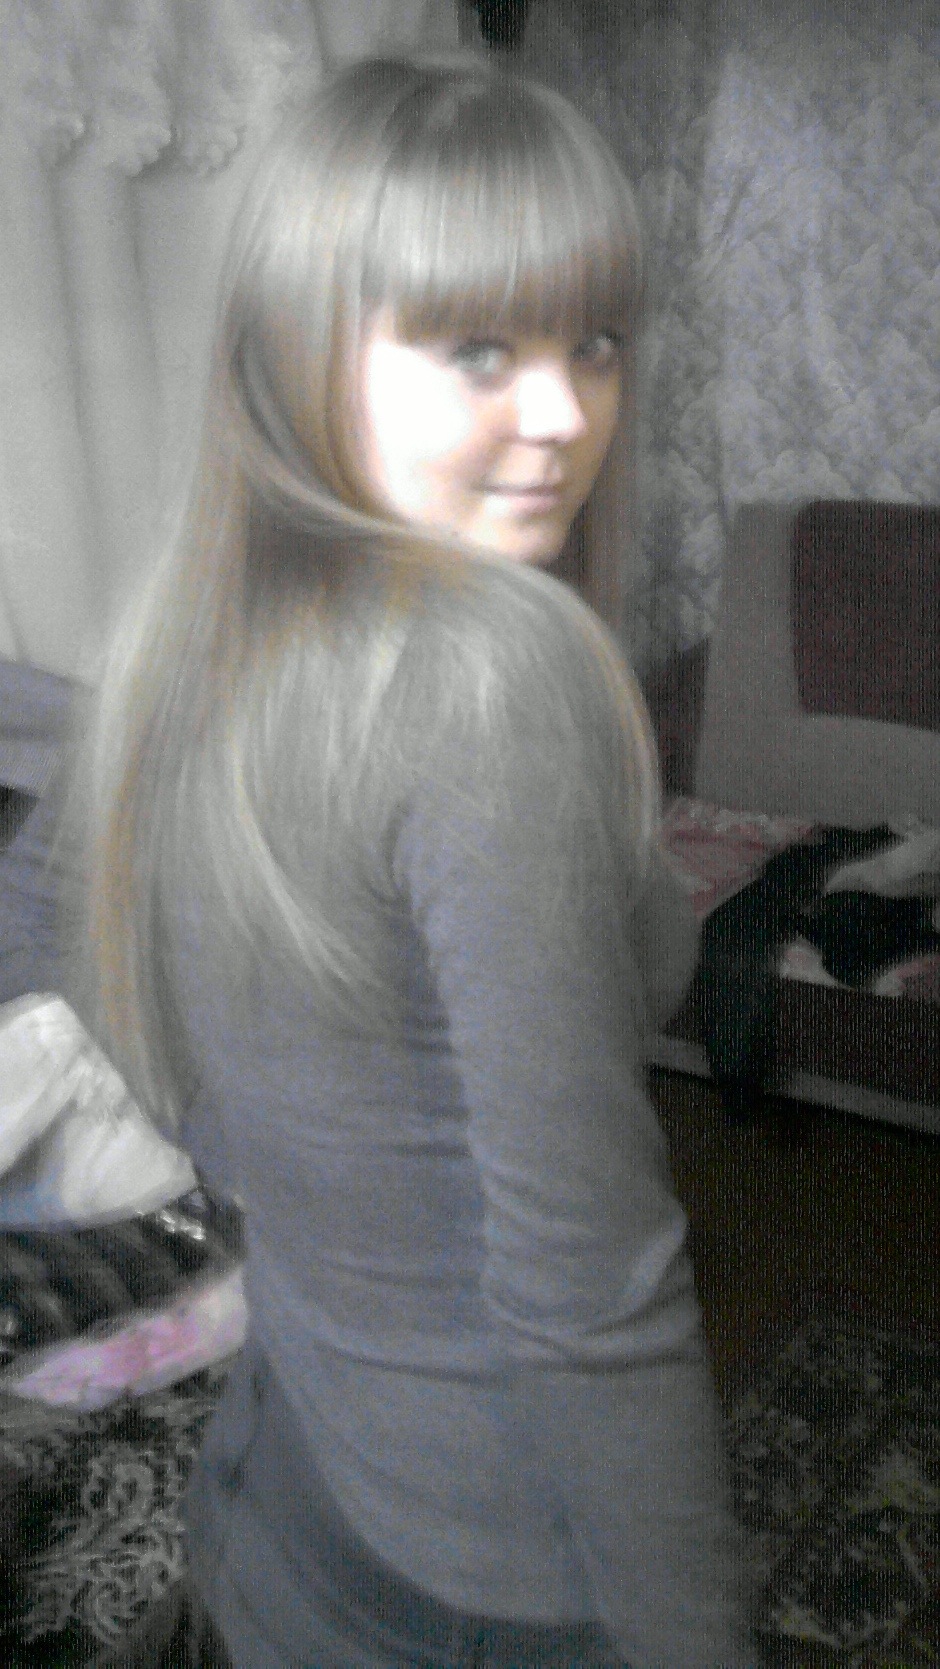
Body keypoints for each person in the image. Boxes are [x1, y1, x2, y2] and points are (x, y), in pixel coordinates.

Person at [51, 51, 756, 1668]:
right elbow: (597, 1291)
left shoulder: (193, 643)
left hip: (298, 1482)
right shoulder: (495, 681)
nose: (566, 413)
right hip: (496, 1561)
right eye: (479, 347)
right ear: (304, 352)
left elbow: (205, 1099)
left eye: (595, 340)